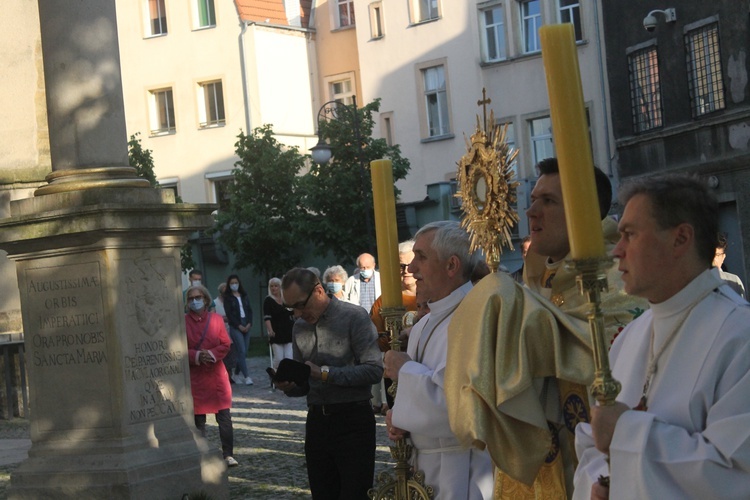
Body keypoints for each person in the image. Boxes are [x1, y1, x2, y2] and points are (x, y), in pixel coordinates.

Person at [445, 157, 647, 500]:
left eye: (548, 201)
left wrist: (522, 320)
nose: (531, 212)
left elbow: (620, 359)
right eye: (533, 199)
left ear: (583, 210)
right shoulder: (537, 279)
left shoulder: (618, 276)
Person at [573, 174, 750, 499]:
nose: (617, 251)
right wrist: (598, 487)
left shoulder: (740, 336)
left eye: (629, 235)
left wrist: (626, 434)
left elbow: (736, 472)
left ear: (680, 239)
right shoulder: (630, 337)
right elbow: (593, 445)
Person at [383, 221, 493, 499]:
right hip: (422, 464)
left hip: (460, 469)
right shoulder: (424, 323)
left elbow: (459, 408)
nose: (410, 269)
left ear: (451, 265)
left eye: (421, 257)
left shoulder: (477, 317)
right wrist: (400, 418)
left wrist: (404, 369)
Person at [276, 268, 383, 500]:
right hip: (317, 423)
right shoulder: (299, 327)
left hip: (353, 421)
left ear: (319, 291)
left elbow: (374, 370)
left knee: (355, 494)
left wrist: (325, 374)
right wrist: (290, 385)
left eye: (300, 305)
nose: (297, 313)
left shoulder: (354, 317)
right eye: (290, 308)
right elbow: (305, 383)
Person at [185, 284, 238, 467]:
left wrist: (212, 354)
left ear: (206, 299)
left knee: (224, 415)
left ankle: (228, 453)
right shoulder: (183, 322)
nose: (195, 301)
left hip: (216, 374)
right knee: (198, 417)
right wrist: (198, 356)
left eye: (197, 297)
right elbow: (180, 348)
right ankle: (201, 453)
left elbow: (225, 344)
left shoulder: (216, 319)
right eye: (191, 298)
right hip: (196, 375)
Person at [369, 240, 417, 414]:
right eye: (400, 266)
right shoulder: (384, 302)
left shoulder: (434, 296)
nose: (405, 271)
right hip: (396, 372)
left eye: (409, 265)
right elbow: (376, 338)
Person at [223, 274, 253, 385]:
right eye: (232, 283)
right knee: (241, 350)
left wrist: (249, 323)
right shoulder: (228, 297)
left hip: (247, 323)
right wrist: (238, 325)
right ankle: (247, 376)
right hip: (236, 326)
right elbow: (229, 314)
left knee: (244, 353)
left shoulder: (244, 295)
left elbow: (249, 310)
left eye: (236, 283)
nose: (234, 285)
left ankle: (236, 374)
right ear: (229, 285)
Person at [264, 277, 294, 370]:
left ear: (280, 287)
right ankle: (274, 373)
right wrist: (270, 330)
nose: (274, 288)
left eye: (276, 286)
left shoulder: (285, 299)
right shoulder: (268, 300)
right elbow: (267, 317)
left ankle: (287, 377)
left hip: (288, 330)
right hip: (276, 331)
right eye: (271, 286)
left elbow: (293, 313)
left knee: (289, 357)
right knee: (279, 358)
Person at [212, 282, 236, 381]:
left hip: (232, 330)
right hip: (220, 331)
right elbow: (214, 316)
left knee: (232, 354)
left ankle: (230, 374)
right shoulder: (215, 303)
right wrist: (223, 318)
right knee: (224, 354)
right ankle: (224, 374)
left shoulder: (231, 302)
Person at [712, 232, 746, 299]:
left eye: (717, 255)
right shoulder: (695, 281)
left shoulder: (734, 282)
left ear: (723, 257)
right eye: (711, 255)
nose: (713, 259)